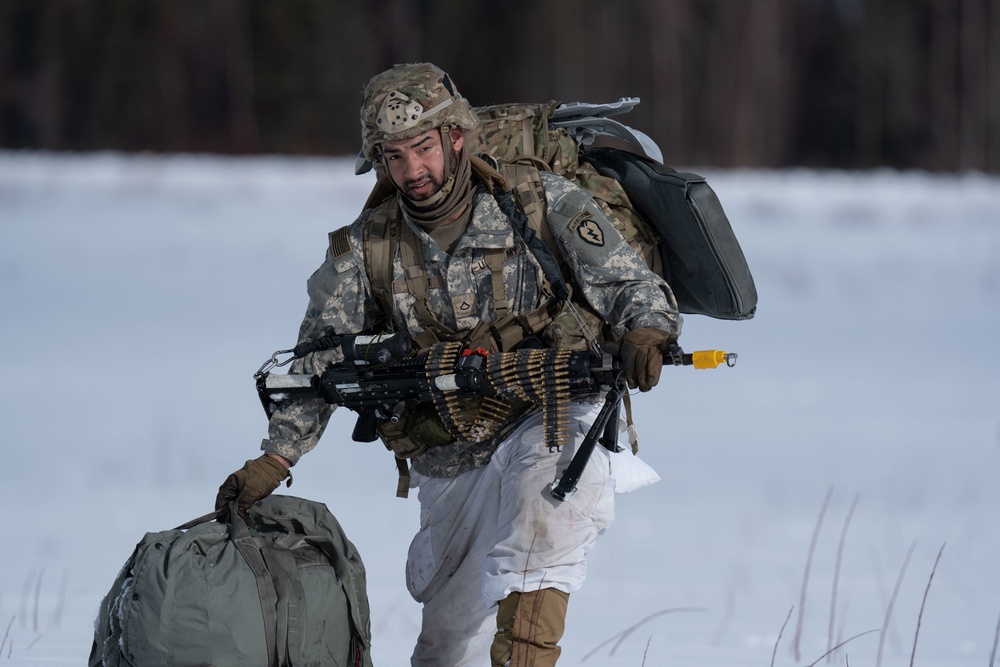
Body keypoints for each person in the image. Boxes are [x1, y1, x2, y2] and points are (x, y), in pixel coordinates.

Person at [217, 62, 682, 667]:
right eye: (394, 155)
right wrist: (277, 456)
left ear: (455, 138)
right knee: (446, 636)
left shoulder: (536, 200)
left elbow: (631, 283)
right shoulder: (370, 245)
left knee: (546, 527)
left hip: (549, 406)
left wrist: (646, 330)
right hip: (448, 450)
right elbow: (320, 358)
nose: (412, 171)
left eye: (423, 148)